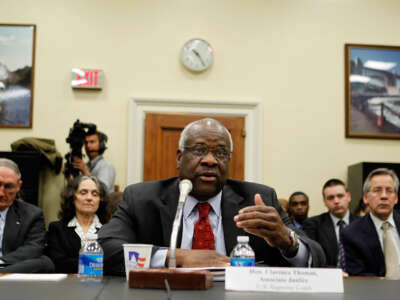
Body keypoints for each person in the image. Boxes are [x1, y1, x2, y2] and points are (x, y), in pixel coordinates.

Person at [98, 118, 325, 276]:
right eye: (199, 150)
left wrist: (287, 241)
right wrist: (175, 257)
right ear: (179, 157)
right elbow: (104, 248)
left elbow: (316, 256)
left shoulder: (258, 198)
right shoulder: (142, 198)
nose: (210, 160)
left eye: (220, 153)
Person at [341, 168, 400, 278]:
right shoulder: (352, 233)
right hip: (377, 293)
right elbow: (359, 276)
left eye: (389, 191)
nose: (384, 196)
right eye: (377, 190)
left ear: (396, 198)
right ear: (365, 198)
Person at [0, 158, 54, 273]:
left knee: (45, 262)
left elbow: (33, 248)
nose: (1, 192)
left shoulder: (32, 214)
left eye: (8, 186)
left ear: (19, 186)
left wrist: (2, 262)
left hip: (8, 266)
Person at [46, 175, 108, 273]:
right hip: (67, 285)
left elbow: (112, 264)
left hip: (101, 284)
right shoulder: (57, 228)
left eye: (95, 194)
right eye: (83, 193)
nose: (89, 198)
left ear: (100, 200)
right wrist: (95, 264)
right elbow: (57, 263)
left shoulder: (108, 230)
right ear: (72, 197)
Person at [303, 179, 357, 268]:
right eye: (330, 198)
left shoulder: (362, 223)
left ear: (348, 197)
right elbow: (314, 259)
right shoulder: (313, 225)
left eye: (340, 196)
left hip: (358, 277)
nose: (336, 201)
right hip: (327, 276)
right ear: (324, 201)